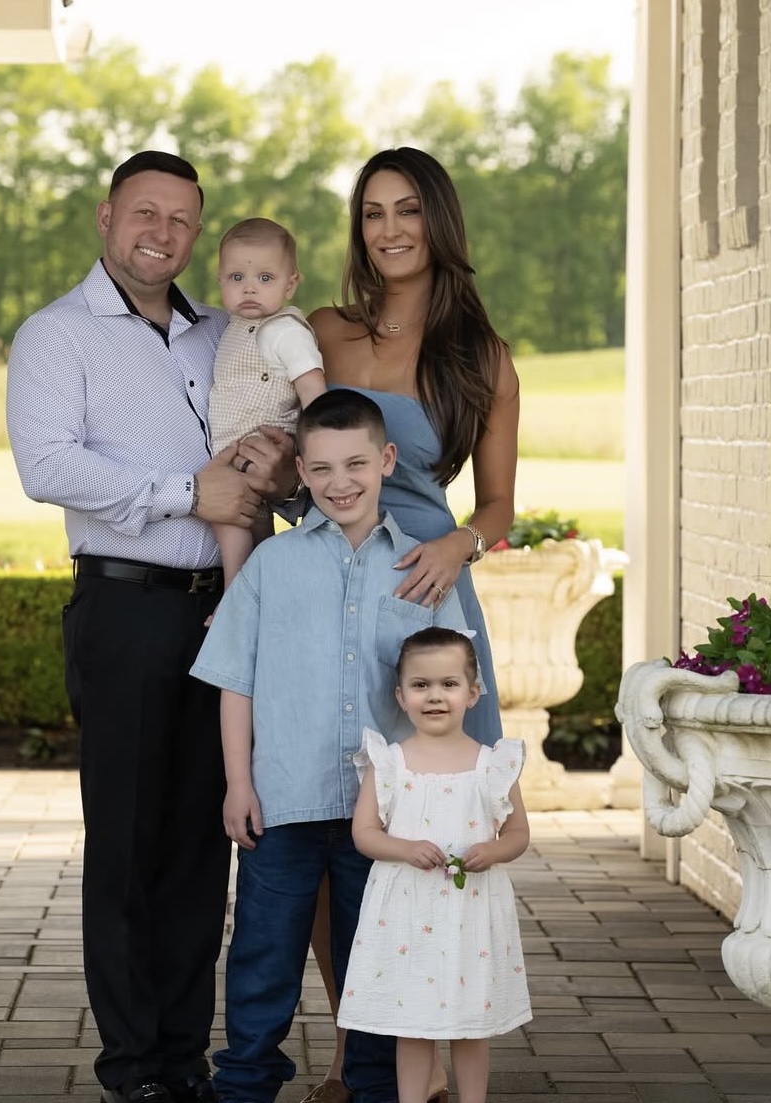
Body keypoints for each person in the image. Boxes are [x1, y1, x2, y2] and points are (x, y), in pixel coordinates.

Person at [5, 150, 300, 1103]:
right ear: (107, 217)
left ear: (196, 233)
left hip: (223, 610)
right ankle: (134, 1070)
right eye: (144, 212)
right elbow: (47, 464)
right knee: (129, 848)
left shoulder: (225, 331)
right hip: (125, 610)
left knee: (199, 849)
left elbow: (271, 432)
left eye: (179, 219)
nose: (160, 232)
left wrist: (281, 465)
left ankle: (182, 1059)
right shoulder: (56, 335)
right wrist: (185, 492)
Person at [306, 146, 521, 1101]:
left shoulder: (482, 356)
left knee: (436, 813)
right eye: (371, 212)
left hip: (424, 594)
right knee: (330, 816)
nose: (388, 229)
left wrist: (458, 546)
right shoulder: (323, 332)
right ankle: (354, 1050)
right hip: (327, 582)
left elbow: (499, 505)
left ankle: (435, 1049)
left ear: (438, 220)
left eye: (406, 210)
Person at [189, 388, 471, 1103]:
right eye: (320, 468)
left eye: (355, 464)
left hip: (383, 815)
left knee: (372, 960)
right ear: (301, 474)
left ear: (386, 460)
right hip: (282, 801)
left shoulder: (422, 570)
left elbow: (447, 695)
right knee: (262, 956)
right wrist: (238, 784)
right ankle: (245, 1085)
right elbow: (235, 681)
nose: (339, 482)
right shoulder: (271, 565)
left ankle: (374, 1086)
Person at [339, 627, 532, 1103]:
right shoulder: (390, 763)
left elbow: (518, 834)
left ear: (473, 692)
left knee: (471, 1022)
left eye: (449, 684)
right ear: (400, 696)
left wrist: (492, 851)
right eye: (421, 685)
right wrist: (404, 849)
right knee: (413, 1020)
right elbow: (364, 833)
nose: (435, 696)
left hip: (470, 914)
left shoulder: (493, 765)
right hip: (408, 913)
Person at [209, 216, 326, 589]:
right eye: (237, 277)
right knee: (252, 526)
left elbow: (314, 393)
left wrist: (316, 452)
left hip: (259, 446)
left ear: (290, 284)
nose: (249, 288)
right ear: (220, 280)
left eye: (265, 278)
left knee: (231, 521)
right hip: (236, 449)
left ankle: (235, 596)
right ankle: (258, 595)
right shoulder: (231, 327)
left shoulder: (285, 331)